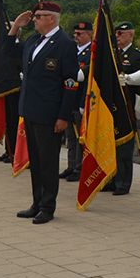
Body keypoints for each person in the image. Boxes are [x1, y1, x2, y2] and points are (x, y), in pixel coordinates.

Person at [5, 1, 79, 224]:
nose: (34, 20)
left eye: (38, 16)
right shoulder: (34, 41)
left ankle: (48, 207)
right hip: (30, 110)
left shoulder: (64, 44)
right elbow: (9, 54)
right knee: (35, 162)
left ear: (51, 18)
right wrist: (15, 27)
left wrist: (63, 116)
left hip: (50, 114)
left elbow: (70, 83)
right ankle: (37, 203)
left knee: (48, 162)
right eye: (34, 16)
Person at [106, 21, 140, 195]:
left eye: (121, 34)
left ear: (131, 35)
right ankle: (112, 179)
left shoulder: (137, 56)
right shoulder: (111, 54)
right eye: (116, 34)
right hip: (111, 105)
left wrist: (130, 79)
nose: (117, 37)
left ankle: (123, 182)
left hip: (127, 106)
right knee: (110, 145)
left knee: (124, 148)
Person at [61, 20, 92, 181]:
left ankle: (80, 168)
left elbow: (85, 78)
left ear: (89, 34)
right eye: (75, 34)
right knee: (70, 137)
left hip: (81, 100)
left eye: (80, 34)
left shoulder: (92, 53)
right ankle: (71, 165)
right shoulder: (71, 50)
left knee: (81, 137)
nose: (76, 37)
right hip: (69, 99)